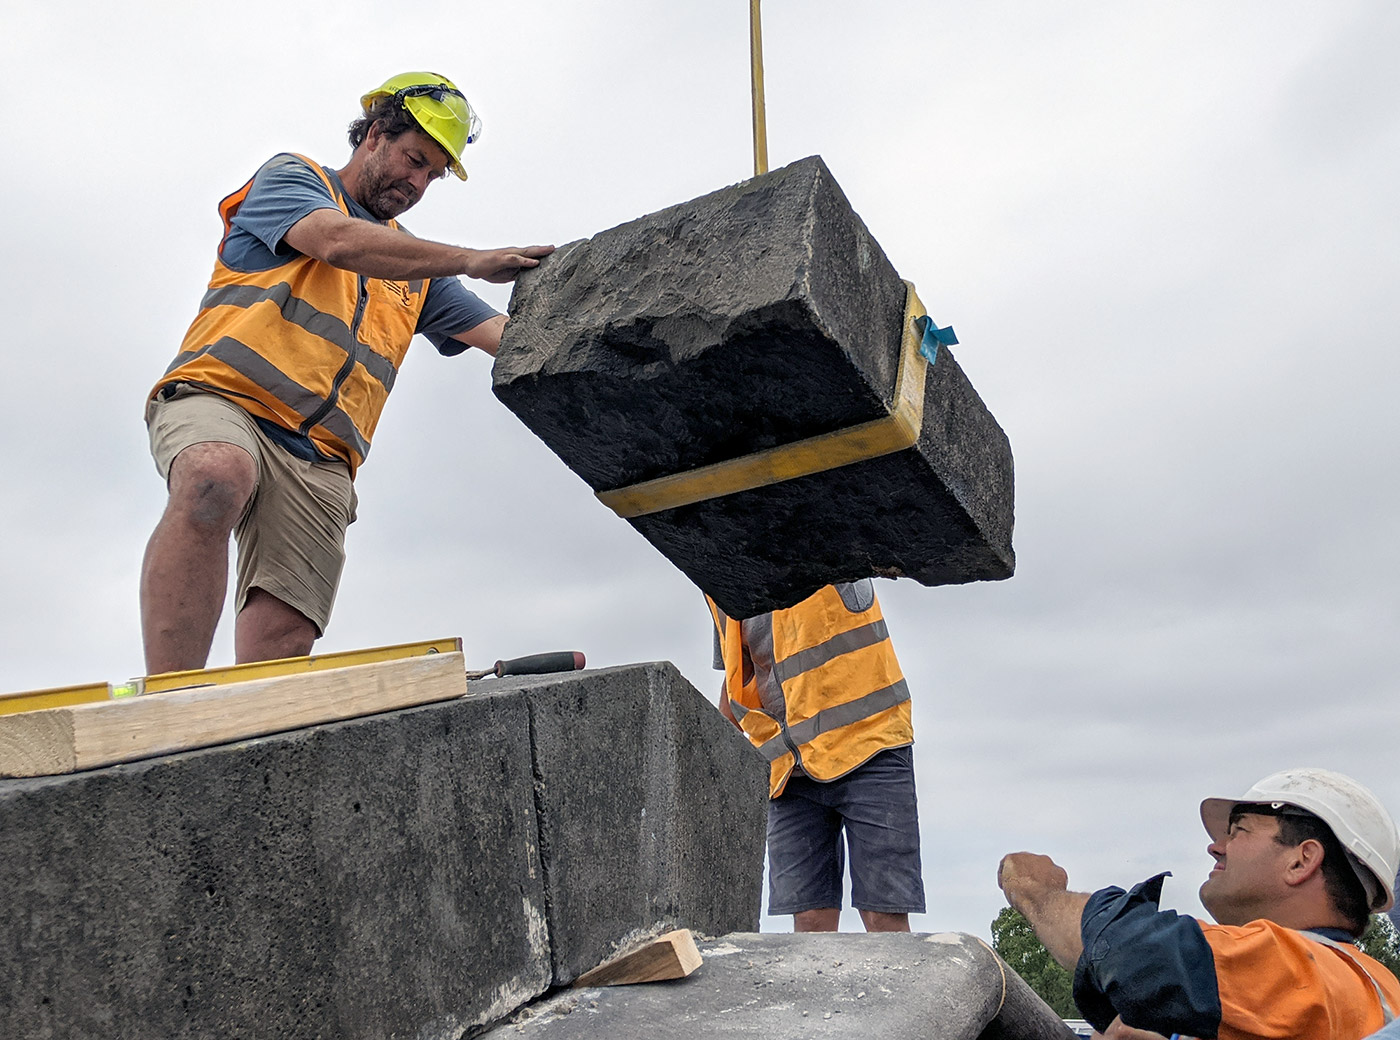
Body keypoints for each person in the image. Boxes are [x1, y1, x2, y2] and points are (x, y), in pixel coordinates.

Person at [140, 72, 553, 673]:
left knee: (285, 635)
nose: (418, 183)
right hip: (225, 402)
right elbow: (335, 242)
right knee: (213, 474)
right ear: (376, 133)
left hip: (321, 456)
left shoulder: (419, 271)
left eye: (433, 176)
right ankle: (173, 698)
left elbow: (504, 338)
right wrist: (470, 257)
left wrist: (601, 339)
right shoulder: (293, 180)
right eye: (415, 160)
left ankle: (246, 739)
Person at [998, 767, 1400, 1038]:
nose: (1215, 847)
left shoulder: (1298, 966)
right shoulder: (1376, 987)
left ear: (1302, 860)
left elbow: (1132, 953)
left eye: (1238, 831)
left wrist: (1040, 893)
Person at [708, 580, 924, 932]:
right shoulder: (721, 576)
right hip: (790, 768)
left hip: (868, 745)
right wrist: (712, 750)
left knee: (884, 917)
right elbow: (742, 672)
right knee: (809, 924)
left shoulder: (821, 541)